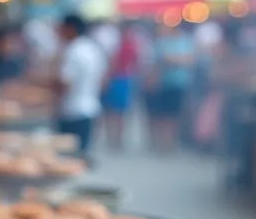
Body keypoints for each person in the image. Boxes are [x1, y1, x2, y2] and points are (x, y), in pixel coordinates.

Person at [54, 14, 105, 153]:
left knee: (70, 156)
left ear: (70, 29)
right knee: (81, 154)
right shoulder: (92, 48)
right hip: (90, 108)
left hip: (72, 111)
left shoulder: (73, 50)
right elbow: (102, 79)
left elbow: (65, 83)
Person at [143, 24, 195, 151]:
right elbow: (156, 62)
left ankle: (170, 143)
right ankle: (161, 143)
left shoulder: (185, 41)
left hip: (178, 84)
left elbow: (190, 60)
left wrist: (172, 60)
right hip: (162, 84)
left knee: (173, 115)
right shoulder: (161, 42)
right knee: (162, 115)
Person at [101, 22, 141, 151]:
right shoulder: (128, 44)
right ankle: (116, 140)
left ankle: (114, 139)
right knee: (117, 112)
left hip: (120, 78)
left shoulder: (123, 45)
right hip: (123, 78)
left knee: (115, 112)